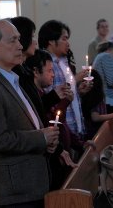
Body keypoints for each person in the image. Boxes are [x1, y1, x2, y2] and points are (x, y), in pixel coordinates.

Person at [0, 19, 60, 207]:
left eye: (19, 39)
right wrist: (40, 138)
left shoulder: (10, 78)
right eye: (13, 40)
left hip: (30, 184)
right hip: (16, 191)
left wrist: (47, 141)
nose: (20, 45)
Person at [25, 49, 78, 189]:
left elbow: (60, 122)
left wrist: (65, 102)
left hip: (58, 152)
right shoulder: (35, 98)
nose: (53, 74)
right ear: (36, 72)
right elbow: (48, 122)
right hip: (48, 159)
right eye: (49, 71)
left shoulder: (43, 94)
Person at [38, 19, 91, 138]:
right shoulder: (46, 65)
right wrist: (74, 80)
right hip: (61, 131)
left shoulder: (63, 62)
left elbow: (66, 95)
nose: (68, 43)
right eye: (64, 39)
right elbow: (50, 99)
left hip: (75, 130)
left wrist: (79, 92)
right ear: (51, 41)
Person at [81, 69, 113, 139]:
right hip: (95, 131)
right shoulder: (95, 96)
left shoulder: (85, 95)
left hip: (88, 130)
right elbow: (95, 117)